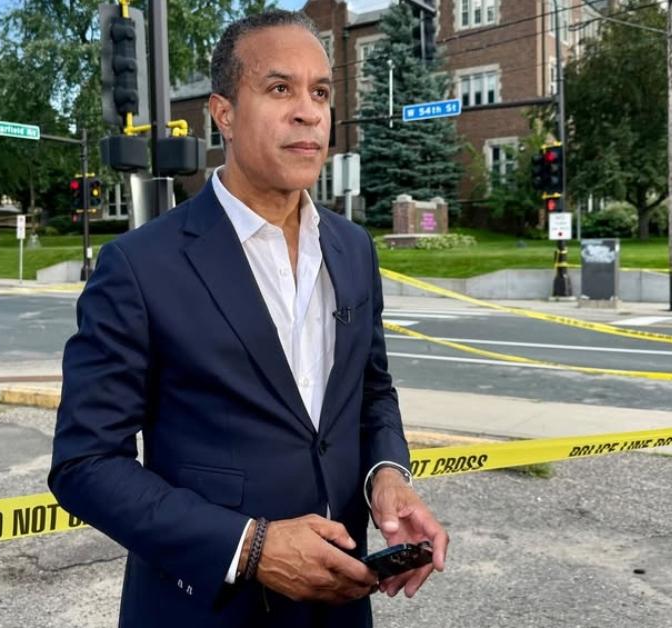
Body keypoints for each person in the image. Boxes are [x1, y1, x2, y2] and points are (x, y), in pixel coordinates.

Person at [49, 9, 448, 627]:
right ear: (224, 114)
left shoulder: (353, 248)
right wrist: (251, 546)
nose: (308, 111)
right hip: (206, 610)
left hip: (339, 607)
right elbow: (85, 464)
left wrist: (388, 476)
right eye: (280, 88)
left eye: (320, 92)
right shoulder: (139, 265)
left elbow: (372, 392)